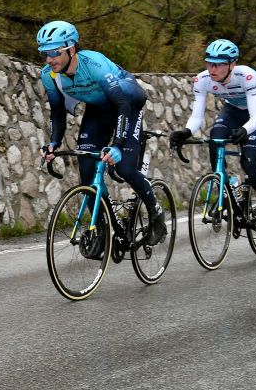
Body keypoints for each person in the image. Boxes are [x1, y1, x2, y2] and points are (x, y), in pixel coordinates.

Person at [36, 20, 167, 246]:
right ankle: (103, 230)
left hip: (127, 105)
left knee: (125, 167)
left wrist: (117, 143)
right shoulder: (50, 75)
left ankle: (156, 213)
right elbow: (57, 111)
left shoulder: (94, 64)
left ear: (71, 48)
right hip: (97, 110)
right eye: (44, 53)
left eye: (54, 52)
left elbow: (122, 104)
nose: (49, 59)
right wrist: (53, 143)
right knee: (87, 174)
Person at [168, 39, 256, 238]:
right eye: (209, 63)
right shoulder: (202, 80)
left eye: (218, 64)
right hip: (232, 111)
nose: (212, 69)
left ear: (232, 64)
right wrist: (186, 132)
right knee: (214, 140)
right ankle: (228, 189)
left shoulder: (248, 76)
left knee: (248, 160)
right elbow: (197, 116)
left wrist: (244, 130)